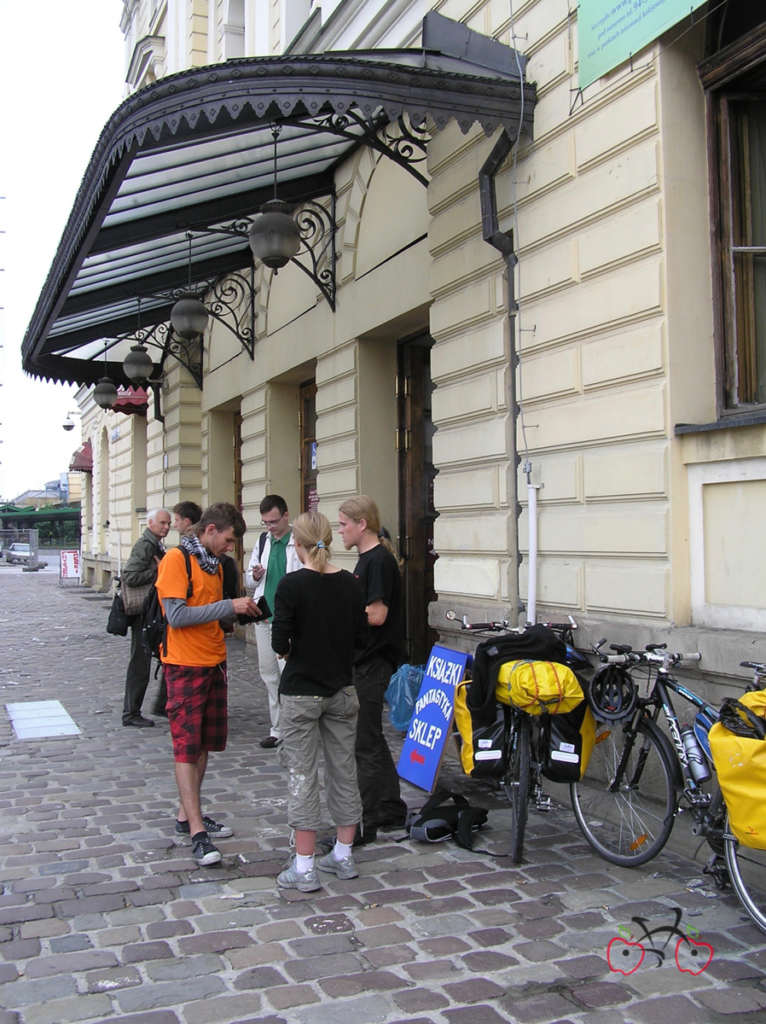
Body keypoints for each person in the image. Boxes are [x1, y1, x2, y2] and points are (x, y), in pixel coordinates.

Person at [155, 502, 262, 866]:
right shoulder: (176, 560)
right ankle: (198, 831)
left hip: (213, 661)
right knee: (186, 746)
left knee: (203, 744)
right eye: (229, 540)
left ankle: (188, 816)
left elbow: (211, 612)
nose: (231, 547)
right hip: (184, 665)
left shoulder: (213, 564)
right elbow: (177, 615)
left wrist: (241, 612)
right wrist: (229, 607)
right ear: (211, 530)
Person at [271, 511, 367, 891]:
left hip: (301, 692)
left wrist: (293, 649)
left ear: (298, 545)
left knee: (302, 776)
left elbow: (280, 641)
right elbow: (361, 639)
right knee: (345, 771)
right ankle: (343, 856)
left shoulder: (292, 586)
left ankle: (305, 866)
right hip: (342, 689)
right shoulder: (351, 583)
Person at [338, 495, 408, 843]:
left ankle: (370, 817)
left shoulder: (377, 561)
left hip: (373, 660)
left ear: (361, 523)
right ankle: (388, 808)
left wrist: (335, 617)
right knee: (368, 738)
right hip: (363, 659)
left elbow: (377, 615)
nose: (340, 531)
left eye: (343, 524)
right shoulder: (367, 559)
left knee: (364, 741)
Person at [246, 495, 301, 748]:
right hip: (264, 616)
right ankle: (277, 728)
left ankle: (294, 729)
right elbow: (249, 581)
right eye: (266, 522)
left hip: (288, 621)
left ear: (286, 515)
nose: (270, 526)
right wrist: (255, 576)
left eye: (274, 521)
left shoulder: (298, 541)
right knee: (269, 675)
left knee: (288, 675)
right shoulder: (262, 541)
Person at [121, 508, 171, 727]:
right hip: (143, 611)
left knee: (166, 656)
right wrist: (158, 571)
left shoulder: (155, 544)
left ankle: (162, 704)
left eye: (168, 523)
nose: (166, 527)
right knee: (140, 662)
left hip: (152, 610)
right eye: (162, 523)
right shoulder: (146, 545)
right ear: (150, 523)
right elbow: (130, 576)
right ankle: (131, 713)